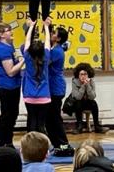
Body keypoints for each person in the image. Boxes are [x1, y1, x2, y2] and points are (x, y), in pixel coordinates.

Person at [0, 22, 24, 147]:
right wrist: (23, 61)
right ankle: (2, 143)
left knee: (13, 115)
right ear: (1, 34)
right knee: (6, 116)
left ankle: (8, 141)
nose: (11, 32)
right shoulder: (3, 49)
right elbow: (10, 72)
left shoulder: (9, 46)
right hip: (6, 87)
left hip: (14, 86)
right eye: (8, 30)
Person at [45, 25, 74, 156]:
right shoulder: (55, 48)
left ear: (58, 38)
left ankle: (64, 144)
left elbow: (45, 61)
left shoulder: (56, 51)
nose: (51, 34)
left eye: (54, 33)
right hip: (52, 86)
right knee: (50, 119)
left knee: (55, 118)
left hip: (55, 88)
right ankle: (57, 144)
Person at [22, 19, 51, 133]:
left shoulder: (27, 57)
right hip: (44, 96)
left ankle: (30, 148)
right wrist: (46, 26)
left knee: (32, 123)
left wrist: (31, 26)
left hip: (29, 96)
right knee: (41, 125)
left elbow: (27, 40)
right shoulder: (46, 57)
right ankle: (43, 148)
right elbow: (48, 40)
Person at [71, 62, 109, 134]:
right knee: (78, 103)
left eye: (85, 74)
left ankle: (97, 126)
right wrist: (83, 86)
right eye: (81, 74)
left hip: (87, 101)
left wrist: (87, 85)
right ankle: (79, 126)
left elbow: (93, 96)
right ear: (78, 75)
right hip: (77, 103)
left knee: (94, 103)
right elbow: (77, 97)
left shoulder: (91, 81)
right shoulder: (74, 81)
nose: (83, 76)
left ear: (88, 75)